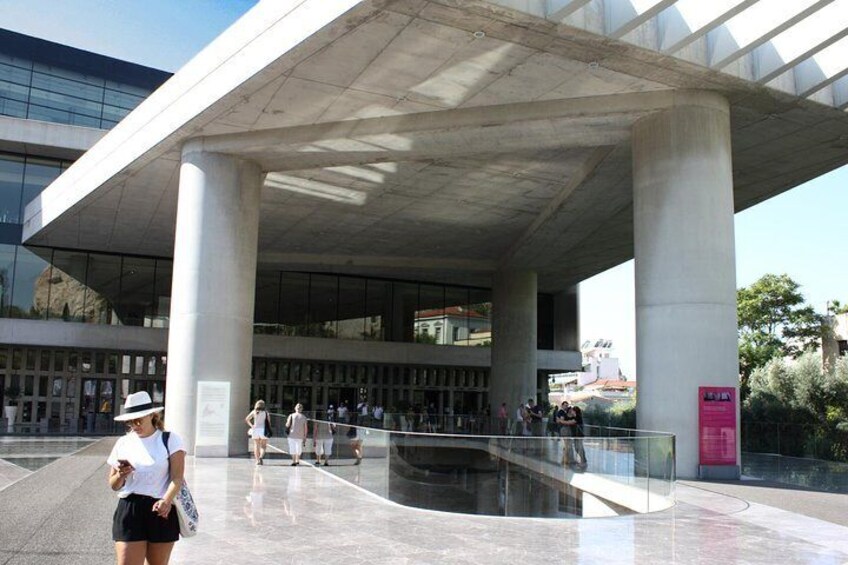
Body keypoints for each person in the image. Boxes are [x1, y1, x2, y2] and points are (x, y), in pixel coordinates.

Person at [107, 391, 185, 565]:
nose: (135, 425)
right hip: (130, 509)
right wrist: (121, 474)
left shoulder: (170, 440)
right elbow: (113, 484)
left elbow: (177, 478)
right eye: (130, 421)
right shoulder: (123, 442)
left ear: (151, 415)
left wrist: (166, 500)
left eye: (138, 420)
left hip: (160, 509)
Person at [244, 400, 271, 465]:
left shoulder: (254, 412)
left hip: (255, 430)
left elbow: (247, 419)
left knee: (256, 445)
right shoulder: (266, 413)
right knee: (263, 446)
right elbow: (269, 423)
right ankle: (261, 457)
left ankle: (257, 460)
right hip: (263, 430)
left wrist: (252, 425)